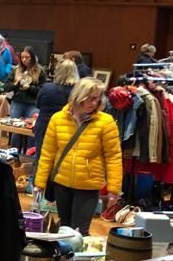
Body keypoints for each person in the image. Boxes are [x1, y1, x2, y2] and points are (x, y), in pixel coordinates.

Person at [35, 78, 122, 235]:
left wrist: (114, 190)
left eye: (98, 99)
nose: (94, 103)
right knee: (64, 228)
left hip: (89, 185)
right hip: (61, 183)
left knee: (80, 232)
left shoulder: (106, 122)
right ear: (79, 96)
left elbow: (113, 157)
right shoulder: (57, 119)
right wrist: (39, 184)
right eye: (91, 98)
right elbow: (47, 154)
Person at [34, 58, 79, 155]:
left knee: (41, 156)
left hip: (44, 126)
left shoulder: (46, 87)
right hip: (67, 129)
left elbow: (38, 105)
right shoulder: (77, 92)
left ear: (57, 71)